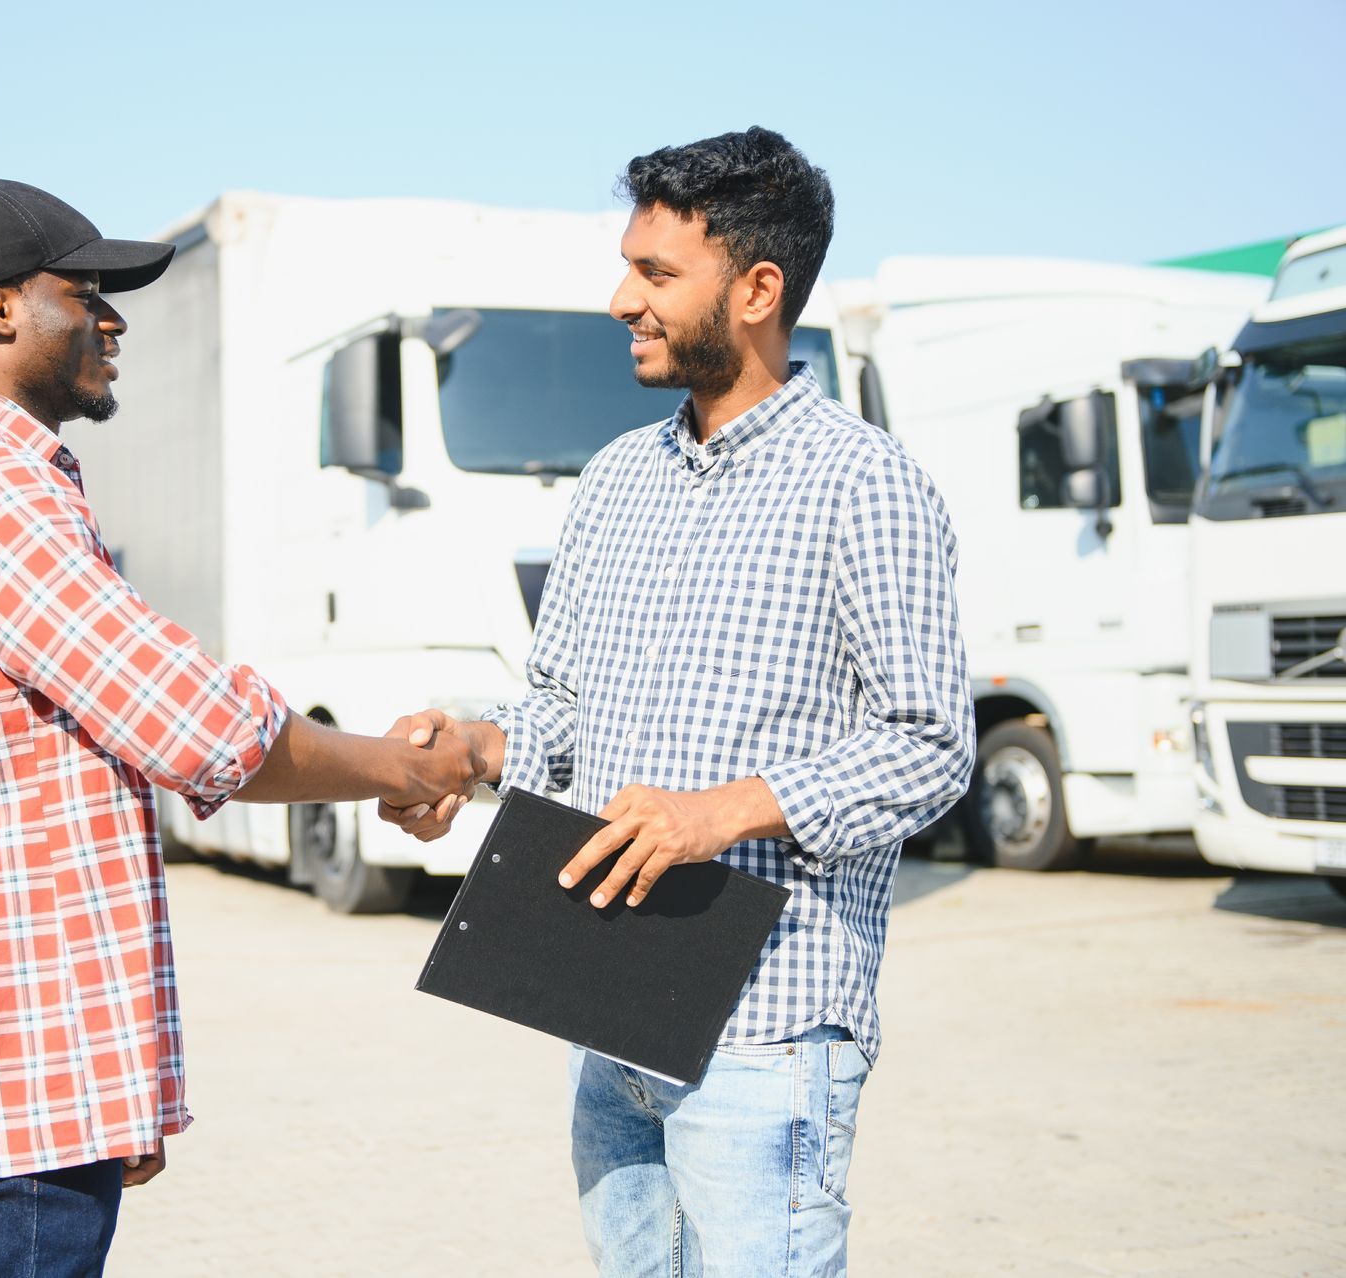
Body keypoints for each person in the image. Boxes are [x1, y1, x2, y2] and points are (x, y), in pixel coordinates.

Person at [0, 178, 482, 1278]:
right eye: (84, 293)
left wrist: (109, 1088)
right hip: (13, 1084)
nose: (112, 319)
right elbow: (195, 726)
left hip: (19, 1079)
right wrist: (406, 766)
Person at [384, 129, 973, 1276]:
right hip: (603, 1004)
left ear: (758, 291)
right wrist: (476, 749)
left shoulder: (867, 484)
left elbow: (930, 748)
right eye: (627, 267)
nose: (620, 301)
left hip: (766, 1028)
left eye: (656, 276)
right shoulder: (615, 480)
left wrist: (721, 812)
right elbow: (560, 701)